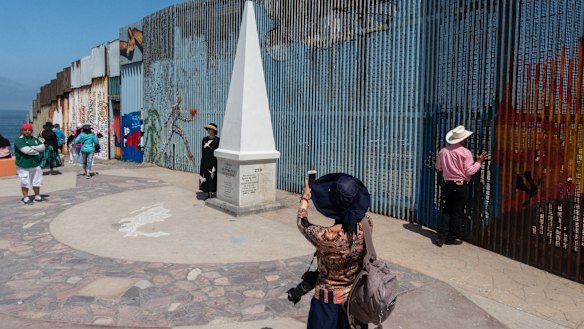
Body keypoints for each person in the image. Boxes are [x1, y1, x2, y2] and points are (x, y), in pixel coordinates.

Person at [298, 173, 370, 329]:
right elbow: (359, 215)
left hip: (327, 302)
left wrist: (305, 197)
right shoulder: (367, 226)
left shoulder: (324, 236)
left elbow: (301, 222)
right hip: (354, 301)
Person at [434, 125, 487, 247]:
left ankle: (441, 237)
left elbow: (438, 167)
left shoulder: (443, 151)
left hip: (447, 184)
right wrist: (478, 162)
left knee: (446, 210)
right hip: (461, 185)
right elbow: (469, 171)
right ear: (463, 139)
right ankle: (451, 237)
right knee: (457, 211)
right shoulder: (466, 153)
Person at [14, 123, 46, 205]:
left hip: (35, 163)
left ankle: (37, 195)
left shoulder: (35, 138)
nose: (27, 132)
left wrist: (32, 147)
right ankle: (26, 197)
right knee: (25, 181)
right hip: (23, 164)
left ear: (31, 131)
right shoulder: (19, 140)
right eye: (25, 130)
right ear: (22, 131)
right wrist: (37, 151)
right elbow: (26, 151)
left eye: (29, 130)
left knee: (37, 180)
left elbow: (42, 147)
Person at [199, 123, 220, 199]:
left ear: (214, 130)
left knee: (212, 177)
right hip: (205, 161)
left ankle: (211, 193)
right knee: (206, 177)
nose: (208, 130)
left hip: (213, 161)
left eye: (210, 129)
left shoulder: (217, 140)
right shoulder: (204, 139)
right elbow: (203, 151)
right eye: (207, 129)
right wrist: (203, 161)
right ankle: (207, 193)